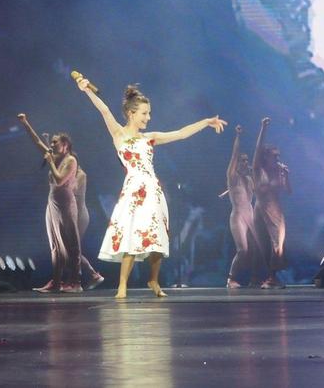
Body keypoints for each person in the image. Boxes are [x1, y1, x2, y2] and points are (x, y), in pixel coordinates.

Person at [75, 77, 227, 298]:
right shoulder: (119, 134)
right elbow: (105, 110)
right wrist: (86, 90)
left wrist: (205, 121)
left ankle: (153, 280)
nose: (149, 117)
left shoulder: (150, 138)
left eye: (149, 113)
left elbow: (181, 133)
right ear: (131, 114)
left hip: (152, 192)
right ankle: (122, 285)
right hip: (132, 191)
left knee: (155, 237)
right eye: (144, 113)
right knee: (130, 236)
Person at [17, 113, 82, 293]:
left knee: (71, 244)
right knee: (55, 244)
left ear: (65, 145)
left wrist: (50, 162)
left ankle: (75, 282)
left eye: (55, 142)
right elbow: (37, 141)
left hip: (66, 205)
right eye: (51, 142)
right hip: (52, 204)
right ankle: (56, 281)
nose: (52, 145)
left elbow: (60, 180)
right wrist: (25, 123)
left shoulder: (70, 160)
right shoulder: (56, 157)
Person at [252, 117, 291, 289]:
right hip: (260, 208)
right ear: (266, 156)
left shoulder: (279, 172)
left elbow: (289, 191)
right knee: (263, 243)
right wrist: (263, 128)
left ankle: (272, 277)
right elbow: (257, 148)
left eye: (278, 156)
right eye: (273, 155)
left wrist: (286, 176)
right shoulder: (258, 169)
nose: (276, 158)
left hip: (275, 209)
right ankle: (265, 277)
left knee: (278, 243)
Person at [224, 124, 259, 288]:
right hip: (238, 216)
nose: (245, 162)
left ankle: (254, 278)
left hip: (250, 215)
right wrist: (238, 136)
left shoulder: (249, 179)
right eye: (242, 160)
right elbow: (234, 155)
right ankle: (231, 278)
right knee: (243, 250)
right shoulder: (232, 176)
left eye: (247, 160)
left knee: (256, 249)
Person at [73, 166, 105, 289]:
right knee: (70, 249)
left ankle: (91, 275)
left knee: (72, 249)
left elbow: (73, 191)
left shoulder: (81, 175)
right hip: (73, 213)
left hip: (79, 214)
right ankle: (86, 275)